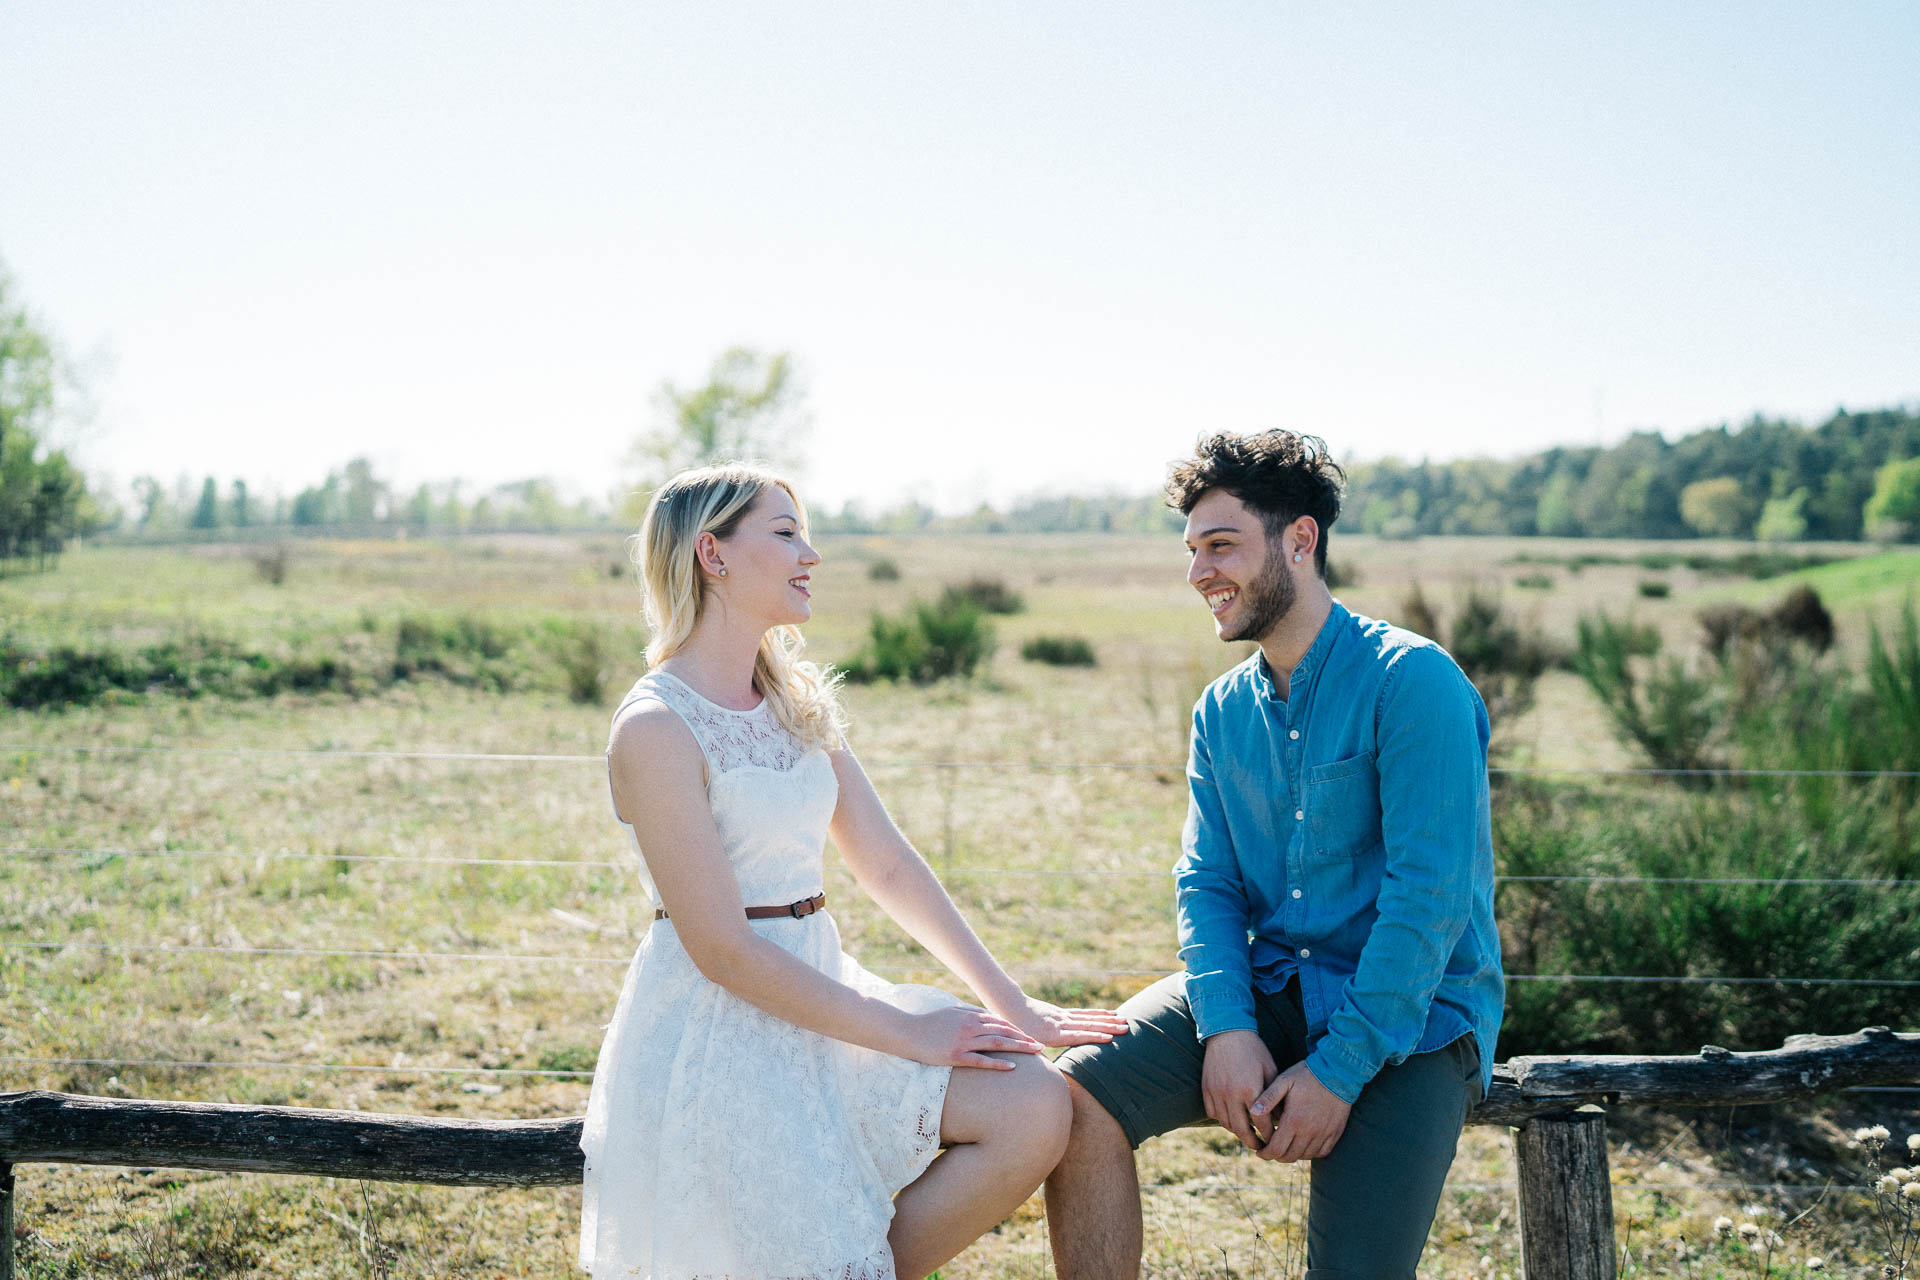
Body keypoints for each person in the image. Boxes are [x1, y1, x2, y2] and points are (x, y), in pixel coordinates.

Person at [578, 462, 1128, 1280]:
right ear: (713, 555)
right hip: (720, 1025)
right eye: (785, 532)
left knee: (1033, 1102)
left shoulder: (794, 699)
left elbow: (889, 863)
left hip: (826, 982)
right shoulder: (656, 726)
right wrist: (912, 1032)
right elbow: (721, 950)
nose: (812, 554)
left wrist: (1012, 1005)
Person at [1044, 430, 1504, 1280]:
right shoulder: (1221, 713)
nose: (1198, 574)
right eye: (1191, 551)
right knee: (1074, 1098)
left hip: (1413, 1019)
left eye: (1221, 546)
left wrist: (1338, 1071)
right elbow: (1207, 882)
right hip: (1266, 982)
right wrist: (1224, 1024)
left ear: (1301, 540)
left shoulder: (1415, 683)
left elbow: (1428, 902)